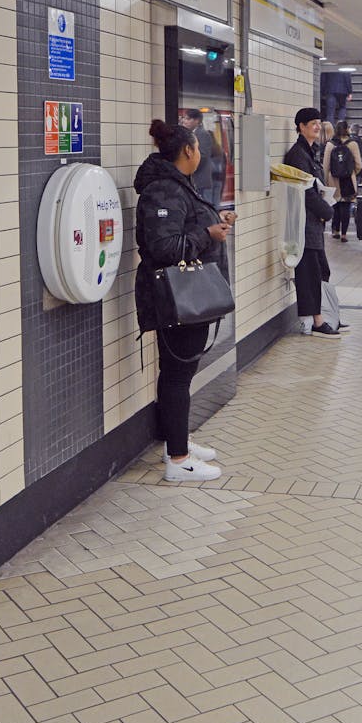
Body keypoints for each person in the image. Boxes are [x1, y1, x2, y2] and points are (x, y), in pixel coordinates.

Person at [136, 120, 234, 481]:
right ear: (188, 151)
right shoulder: (164, 190)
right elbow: (163, 247)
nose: (201, 154)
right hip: (175, 298)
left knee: (180, 374)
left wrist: (214, 222)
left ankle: (178, 442)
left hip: (184, 297)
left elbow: (182, 231)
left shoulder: (177, 186)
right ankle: (178, 461)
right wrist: (207, 233)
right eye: (197, 147)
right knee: (177, 376)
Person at [286, 108, 340, 338]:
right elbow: (305, 192)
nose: (318, 127)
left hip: (312, 223)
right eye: (313, 123)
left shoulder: (311, 152)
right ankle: (318, 321)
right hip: (303, 224)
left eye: (319, 122)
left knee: (321, 270)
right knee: (309, 272)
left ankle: (327, 314)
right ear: (301, 127)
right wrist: (326, 210)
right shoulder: (298, 155)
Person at [323, 121, 362, 242]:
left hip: (333, 180)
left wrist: (326, 180)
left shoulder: (330, 145)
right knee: (346, 206)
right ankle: (344, 234)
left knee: (335, 206)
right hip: (348, 180)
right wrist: (352, 173)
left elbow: (325, 166)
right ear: (347, 129)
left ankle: (335, 230)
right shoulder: (353, 144)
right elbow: (359, 164)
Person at [180, 108, 224, 207]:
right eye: (184, 118)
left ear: (196, 121)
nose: (184, 121)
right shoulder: (189, 134)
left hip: (201, 181)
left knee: (204, 210)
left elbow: (203, 156)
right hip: (193, 181)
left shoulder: (203, 134)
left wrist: (185, 168)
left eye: (187, 119)